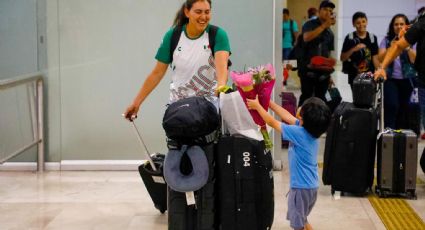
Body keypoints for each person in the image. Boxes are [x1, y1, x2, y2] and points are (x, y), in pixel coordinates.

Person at [124, 0, 231, 121]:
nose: (203, 17)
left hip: (208, 108)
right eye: (198, 12)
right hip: (178, 108)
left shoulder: (217, 35)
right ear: (187, 12)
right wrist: (137, 103)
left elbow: (222, 68)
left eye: (207, 12)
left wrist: (221, 87)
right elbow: (157, 73)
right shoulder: (173, 36)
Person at [246, 96, 331, 230]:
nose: (299, 108)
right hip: (311, 187)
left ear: (303, 119)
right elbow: (286, 116)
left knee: (298, 225)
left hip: (301, 188)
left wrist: (257, 106)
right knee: (302, 218)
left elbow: (272, 122)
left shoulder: (299, 133)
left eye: (302, 108)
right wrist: (268, 103)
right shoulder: (310, 131)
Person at [374, 10, 425, 138]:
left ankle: (401, 138)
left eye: (402, 24)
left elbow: (414, 59)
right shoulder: (387, 41)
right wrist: (382, 66)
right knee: (392, 106)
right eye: (396, 24)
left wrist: (407, 46)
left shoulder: (412, 39)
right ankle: (389, 135)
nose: (399, 26)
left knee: (404, 109)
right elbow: (380, 58)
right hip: (392, 79)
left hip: (408, 79)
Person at [297, 0, 336, 107]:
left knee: (321, 99)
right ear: (319, 11)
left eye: (330, 11)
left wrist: (330, 74)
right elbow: (306, 38)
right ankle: (299, 121)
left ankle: (318, 122)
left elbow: (329, 53)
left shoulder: (330, 33)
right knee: (306, 97)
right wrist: (324, 26)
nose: (328, 12)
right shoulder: (309, 24)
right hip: (307, 69)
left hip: (323, 73)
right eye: (325, 10)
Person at [340, 11, 379, 91]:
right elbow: (342, 58)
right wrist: (354, 49)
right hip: (354, 77)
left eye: (363, 21)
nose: (361, 25)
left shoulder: (372, 38)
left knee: (370, 101)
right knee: (357, 101)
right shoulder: (350, 38)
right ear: (353, 24)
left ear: (367, 22)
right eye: (358, 23)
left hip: (370, 76)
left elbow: (375, 58)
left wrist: (379, 71)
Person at [282, 8, 299, 85]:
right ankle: (282, 77)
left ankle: (285, 78)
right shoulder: (280, 22)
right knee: (281, 63)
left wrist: (296, 42)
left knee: (286, 63)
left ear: (288, 15)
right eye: (282, 16)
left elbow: (296, 33)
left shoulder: (292, 23)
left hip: (288, 46)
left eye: (285, 16)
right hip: (280, 46)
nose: (284, 17)